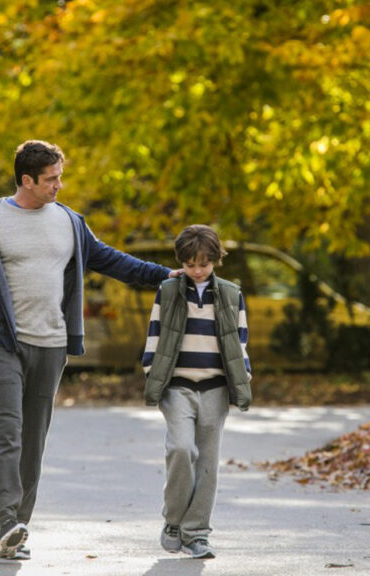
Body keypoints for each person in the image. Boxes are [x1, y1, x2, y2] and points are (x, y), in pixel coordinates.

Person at [0, 140, 178, 561]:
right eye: (52, 179)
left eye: (60, 176)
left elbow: (110, 260)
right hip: (2, 343)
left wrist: (164, 275)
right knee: (6, 432)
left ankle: (17, 530)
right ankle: (5, 520)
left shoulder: (70, 222)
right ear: (27, 180)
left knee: (33, 439)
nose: (59, 185)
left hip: (52, 345)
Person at [141, 224, 252, 560]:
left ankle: (197, 533)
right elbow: (155, 335)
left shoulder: (232, 294)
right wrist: (152, 373)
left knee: (207, 462)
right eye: (190, 264)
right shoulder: (169, 290)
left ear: (216, 260)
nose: (197, 270)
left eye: (204, 264)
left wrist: (241, 378)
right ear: (182, 263)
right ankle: (173, 521)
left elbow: (240, 343)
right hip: (177, 387)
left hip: (215, 388)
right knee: (180, 448)